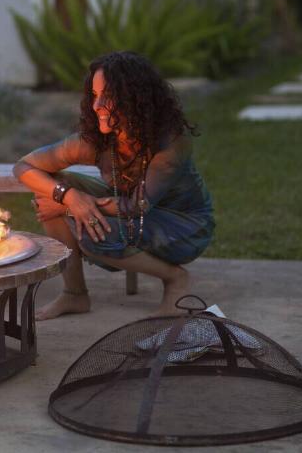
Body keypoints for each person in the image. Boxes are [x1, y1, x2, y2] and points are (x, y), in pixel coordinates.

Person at [13, 51, 215, 320]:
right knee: (51, 189)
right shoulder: (98, 141)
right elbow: (23, 167)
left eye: (107, 95)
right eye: (94, 96)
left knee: (93, 231)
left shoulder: (169, 143)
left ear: (135, 98)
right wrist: (69, 196)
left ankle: (175, 278)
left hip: (183, 226)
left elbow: (136, 207)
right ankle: (75, 294)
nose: (97, 105)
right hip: (128, 208)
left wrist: (73, 205)